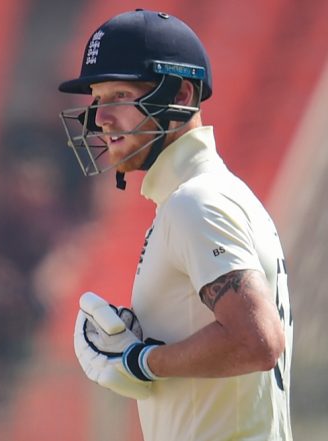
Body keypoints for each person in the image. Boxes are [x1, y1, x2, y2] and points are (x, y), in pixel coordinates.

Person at [61, 10, 293, 441]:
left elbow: (257, 342)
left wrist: (138, 360)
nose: (100, 118)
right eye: (97, 98)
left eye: (119, 95)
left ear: (182, 94)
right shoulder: (207, 196)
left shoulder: (196, 201)